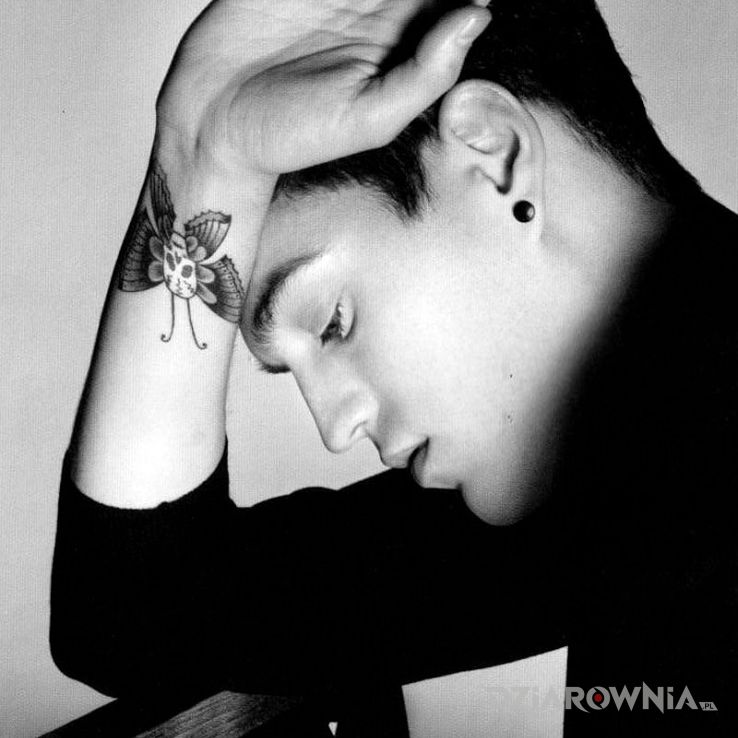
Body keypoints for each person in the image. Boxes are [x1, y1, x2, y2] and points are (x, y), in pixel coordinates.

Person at [50, 0, 737, 735]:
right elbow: (136, 614)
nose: (336, 429)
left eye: (332, 322)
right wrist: (203, 155)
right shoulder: (623, 474)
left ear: (494, 154)